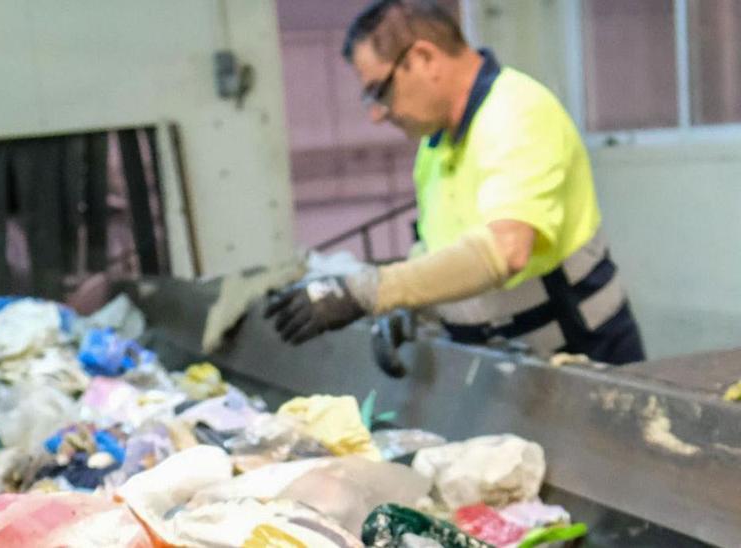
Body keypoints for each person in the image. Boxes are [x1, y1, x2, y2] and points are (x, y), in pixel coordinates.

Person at [266, 0, 645, 365]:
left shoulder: (516, 112)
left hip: (580, 359)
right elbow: (436, 250)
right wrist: (409, 307)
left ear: (424, 59)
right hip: (507, 370)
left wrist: (368, 292)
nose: (378, 115)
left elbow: (506, 249)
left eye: (380, 91)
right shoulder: (435, 148)